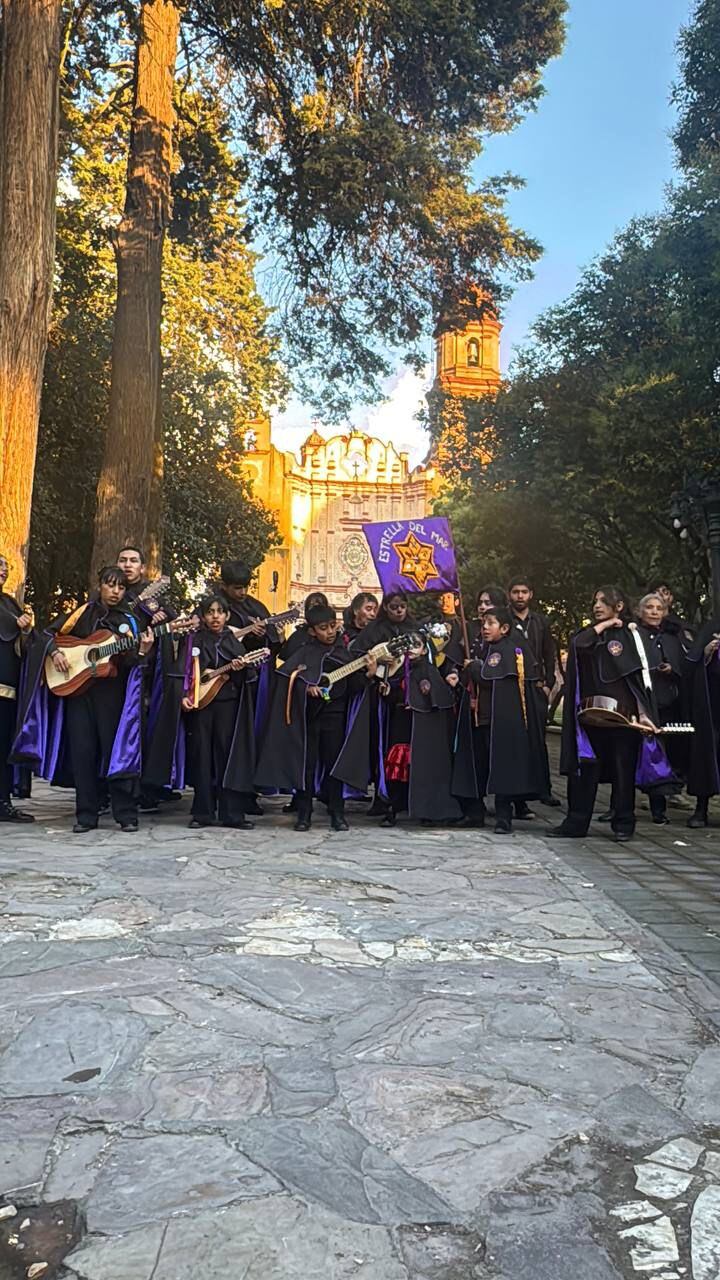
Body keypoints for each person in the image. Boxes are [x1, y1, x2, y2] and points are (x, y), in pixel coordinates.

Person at [14, 567, 154, 834]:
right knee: (83, 753)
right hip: (79, 693)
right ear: (100, 585)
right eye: (110, 585)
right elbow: (46, 635)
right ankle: (86, 815)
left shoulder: (130, 621)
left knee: (117, 752)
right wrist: (55, 653)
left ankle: (125, 814)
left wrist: (142, 651)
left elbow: (133, 664)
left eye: (121, 587)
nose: (115, 591)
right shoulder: (81, 613)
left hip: (113, 697)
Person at [553, 585, 660, 843]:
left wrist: (643, 714)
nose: (596, 606)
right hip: (590, 717)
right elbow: (578, 645)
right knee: (584, 770)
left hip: (623, 719)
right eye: (595, 601)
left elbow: (638, 679)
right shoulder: (589, 635)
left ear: (619, 605)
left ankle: (624, 824)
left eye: (603, 601)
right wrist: (604, 625)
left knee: (624, 772)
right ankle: (576, 823)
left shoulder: (632, 637)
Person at [255, 604, 376, 831]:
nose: (330, 632)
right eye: (323, 628)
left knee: (334, 764)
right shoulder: (302, 654)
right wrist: (305, 689)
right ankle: (304, 814)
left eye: (333, 626)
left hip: (336, 715)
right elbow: (287, 681)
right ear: (311, 631)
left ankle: (337, 813)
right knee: (306, 766)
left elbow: (353, 687)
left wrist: (368, 674)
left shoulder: (344, 653)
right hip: (308, 718)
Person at [346, 630, 460, 827]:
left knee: (422, 770)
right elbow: (395, 696)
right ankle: (393, 809)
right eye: (408, 645)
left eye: (417, 645)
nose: (411, 649)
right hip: (401, 726)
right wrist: (389, 692)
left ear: (425, 650)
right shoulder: (397, 670)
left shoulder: (429, 671)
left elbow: (437, 699)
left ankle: (427, 810)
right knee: (396, 771)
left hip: (422, 730)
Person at [453, 606, 549, 833]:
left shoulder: (507, 650)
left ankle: (503, 816)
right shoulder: (484, 648)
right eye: (484, 623)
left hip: (498, 721)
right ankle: (474, 812)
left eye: (490, 623)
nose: (485, 628)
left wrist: (474, 667)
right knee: (477, 765)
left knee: (502, 767)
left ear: (504, 628)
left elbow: (488, 675)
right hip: (479, 718)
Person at [181, 594, 259, 830]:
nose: (215, 616)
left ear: (226, 616)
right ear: (203, 616)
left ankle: (232, 813)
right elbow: (184, 671)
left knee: (228, 756)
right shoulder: (194, 641)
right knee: (201, 756)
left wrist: (238, 669)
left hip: (227, 705)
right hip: (201, 706)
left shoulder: (233, 642)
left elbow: (247, 677)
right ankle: (202, 813)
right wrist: (184, 695)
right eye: (210, 612)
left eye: (220, 612)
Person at [634, 592, 688, 824]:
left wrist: (671, 668)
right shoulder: (634, 636)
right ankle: (622, 805)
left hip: (667, 704)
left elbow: (683, 667)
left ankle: (660, 808)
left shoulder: (671, 638)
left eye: (659, 608)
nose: (654, 612)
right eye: (650, 608)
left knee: (662, 755)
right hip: (642, 702)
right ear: (641, 611)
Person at [508, 574, 560, 811]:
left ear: (531, 595)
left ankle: (543, 790)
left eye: (524, 592)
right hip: (514, 687)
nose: (520, 596)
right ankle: (518, 799)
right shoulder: (505, 620)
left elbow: (550, 654)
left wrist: (548, 683)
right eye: (516, 592)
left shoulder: (540, 622)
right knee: (517, 742)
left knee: (538, 740)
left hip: (537, 686)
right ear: (510, 594)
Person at [0, 556, 34, 823]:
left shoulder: (10, 603)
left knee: (3, 747)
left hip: (7, 688)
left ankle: (3, 802)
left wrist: (26, 629)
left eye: (5, 568)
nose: (2, 571)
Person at [682, 617, 720, 829]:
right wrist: (706, 653)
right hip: (712, 709)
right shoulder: (713, 628)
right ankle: (701, 809)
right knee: (707, 754)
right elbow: (691, 664)